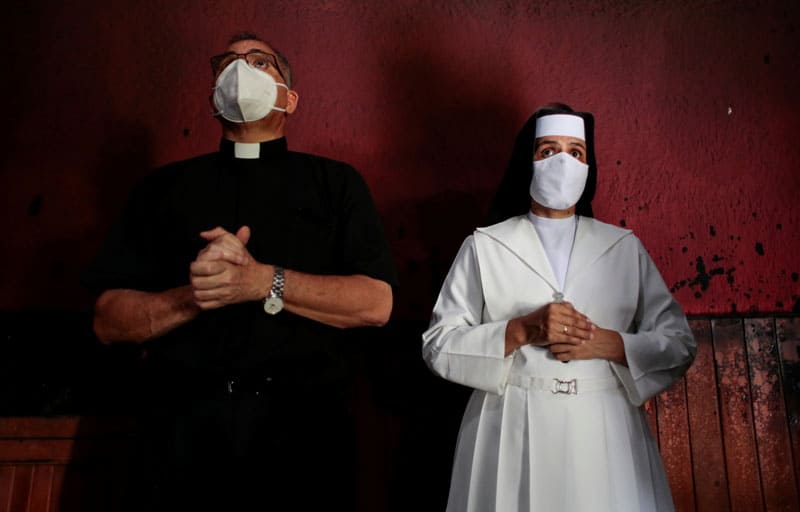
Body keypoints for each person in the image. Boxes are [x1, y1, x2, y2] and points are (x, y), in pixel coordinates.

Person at [84, 32, 396, 510]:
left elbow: (376, 303)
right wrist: (196, 295)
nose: (239, 69)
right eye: (226, 63)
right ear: (214, 97)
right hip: (182, 430)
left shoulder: (336, 184)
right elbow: (107, 320)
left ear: (288, 98)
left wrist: (261, 281)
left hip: (305, 433)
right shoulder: (162, 189)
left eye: (258, 61)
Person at [422, 104, 696, 512]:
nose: (563, 163)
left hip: (604, 428)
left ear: (589, 166)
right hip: (508, 425)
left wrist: (609, 344)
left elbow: (679, 344)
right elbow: (438, 345)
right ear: (527, 163)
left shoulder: (621, 247)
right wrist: (519, 331)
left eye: (576, 152)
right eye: (548, 150)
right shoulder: (486, 244)